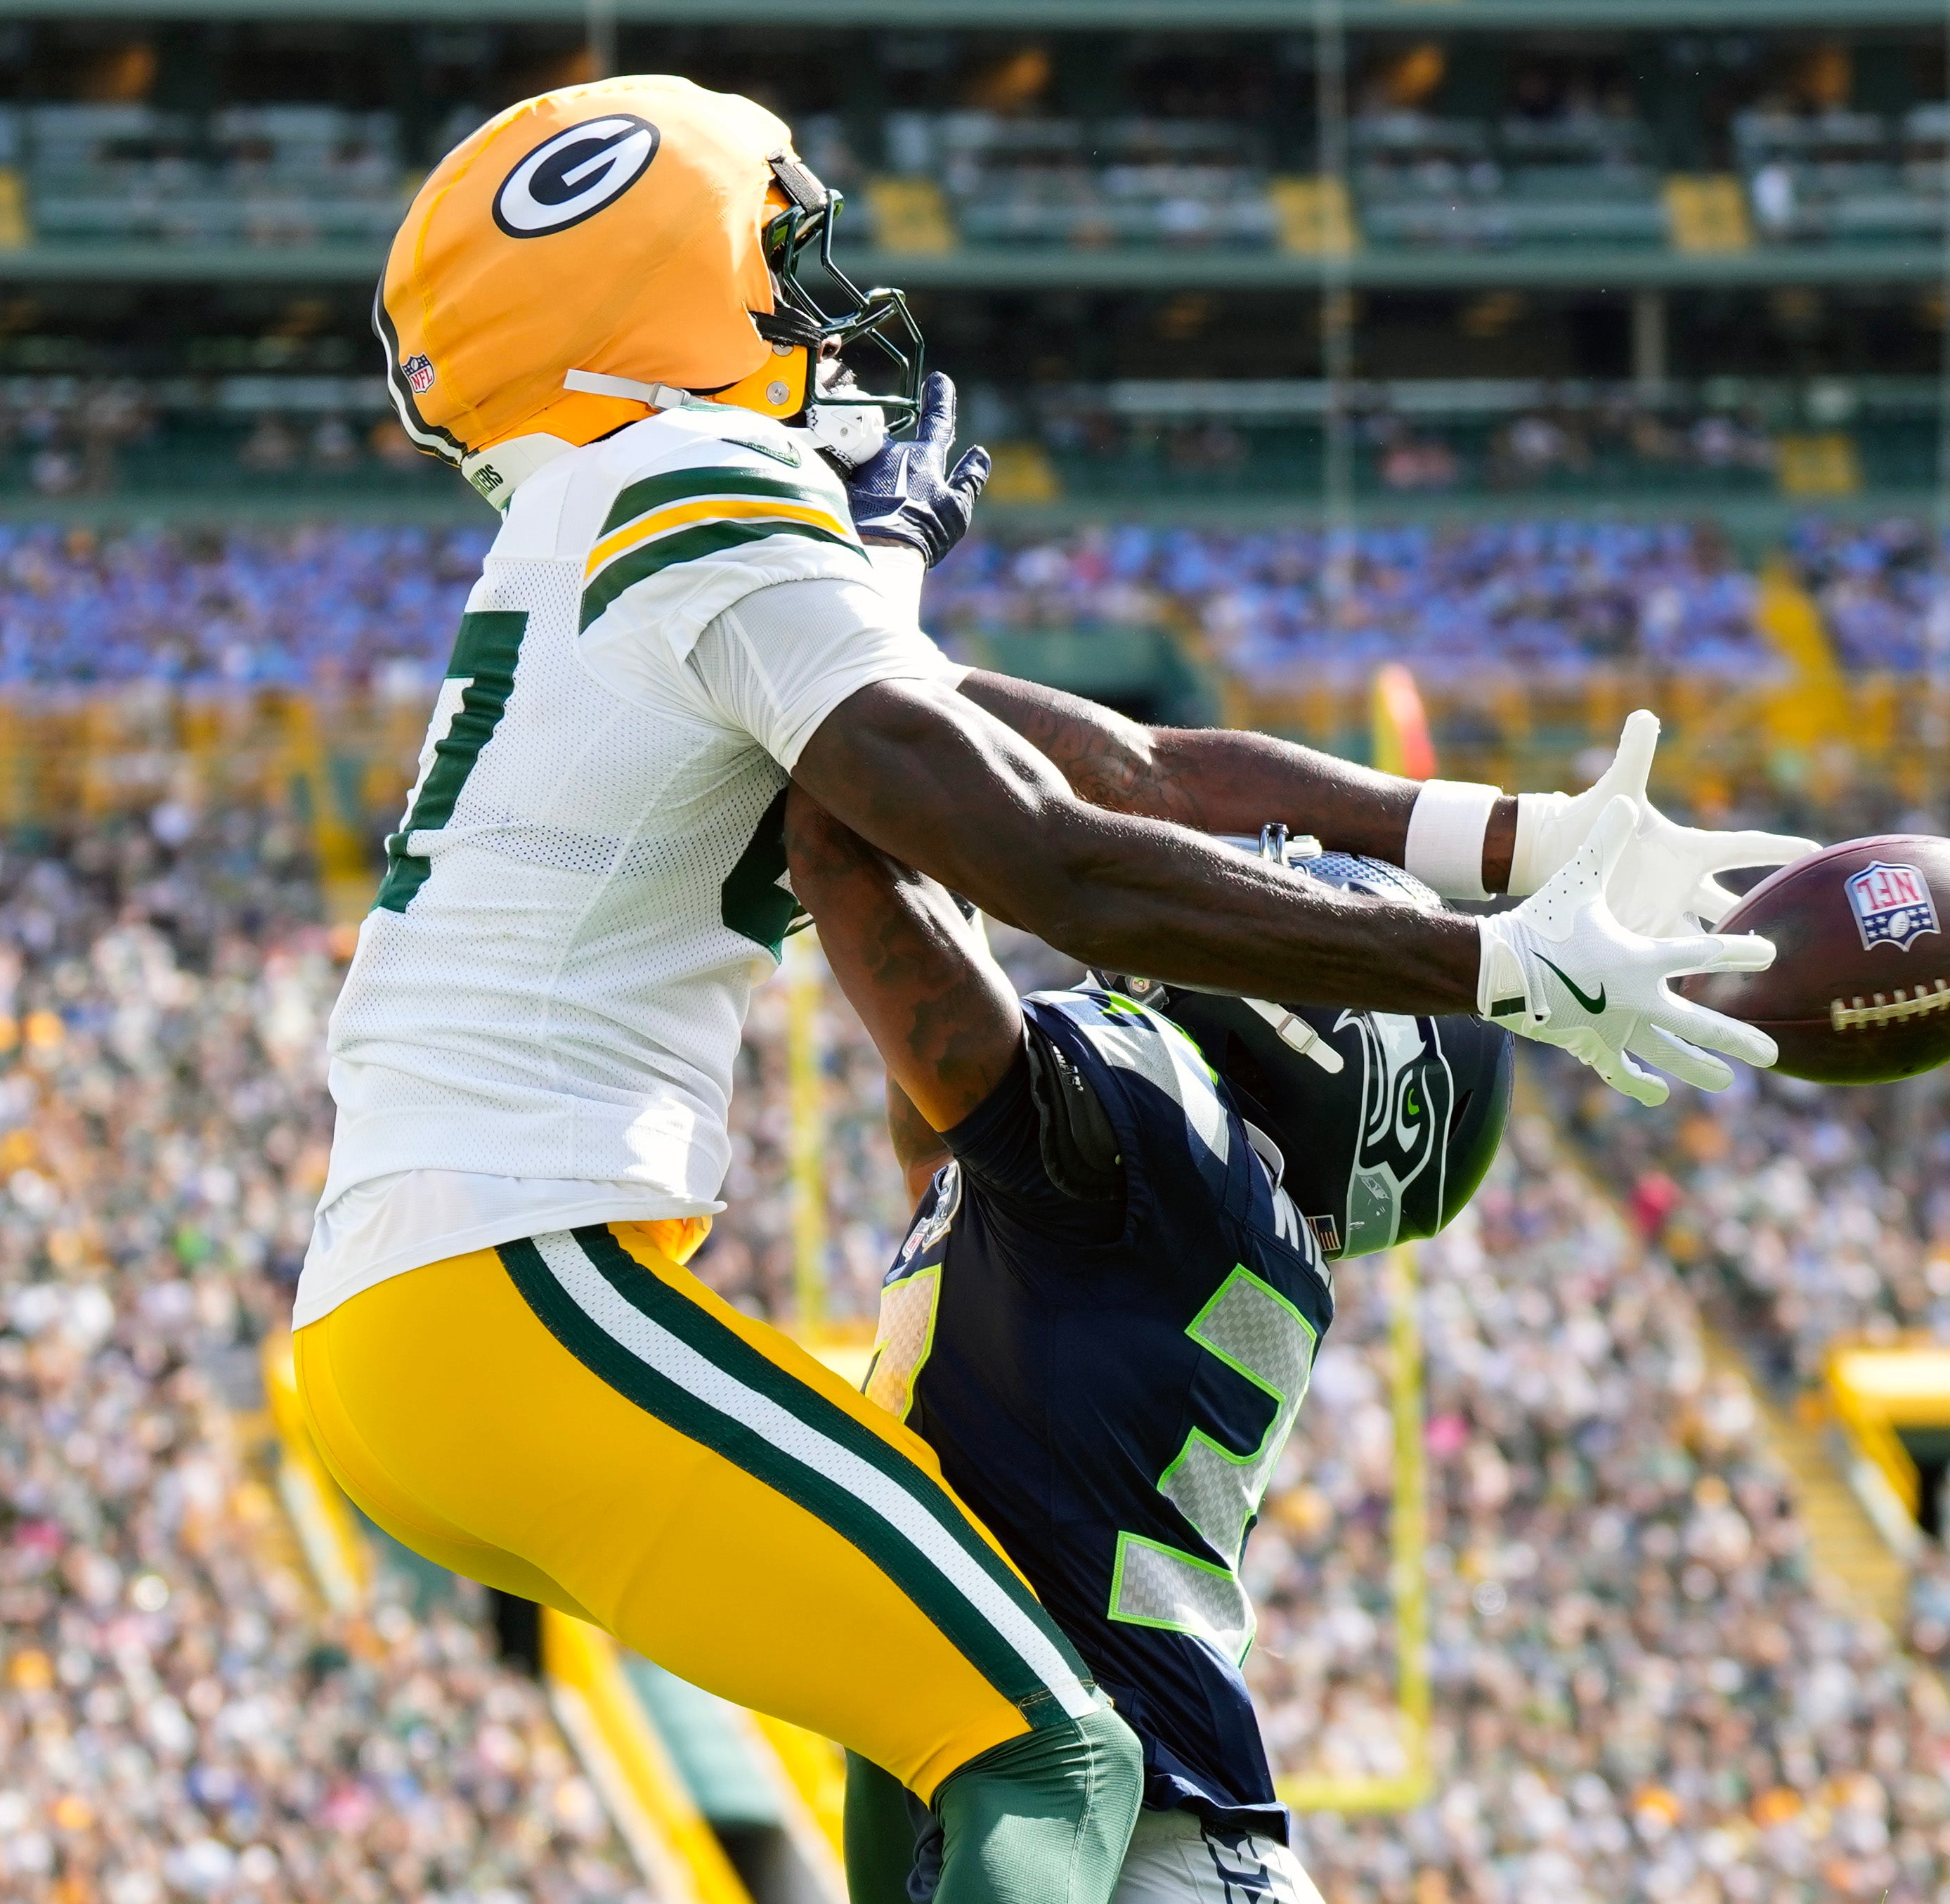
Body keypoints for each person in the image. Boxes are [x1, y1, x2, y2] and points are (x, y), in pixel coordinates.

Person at [290, 73, 1807, 1904]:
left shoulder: (613, 512)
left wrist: (1501, 891)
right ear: (655, 302)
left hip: (458, 1282)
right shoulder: (692, 484)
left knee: (993, 1736)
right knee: (1040, 1737)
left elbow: (1052, 814)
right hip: (503, 1272)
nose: (821, 304)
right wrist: (1492, 896)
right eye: (781, 258)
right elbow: (1064, 818)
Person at [783, 796, 1515, 1904]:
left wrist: (843, 749)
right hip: (1089, 1838)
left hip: (1133, 1842)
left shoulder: (1166, 1142)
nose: (1251, 900)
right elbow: (935, 1124)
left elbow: (922, 996)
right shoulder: (1158, 1201)